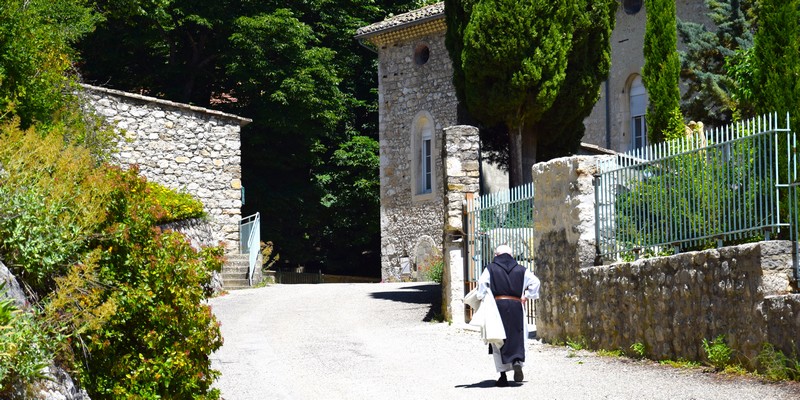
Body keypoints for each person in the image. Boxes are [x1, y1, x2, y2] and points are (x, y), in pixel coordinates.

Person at [476, 244, 540, 387]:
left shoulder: (490, 268)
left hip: (497, 306)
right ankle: (517, 361)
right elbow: (536, 282)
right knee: (518, 335)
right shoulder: (521, 269)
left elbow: (482, 284)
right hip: (516, 305)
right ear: (511, 255)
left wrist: (482, 296)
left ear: (496, 255)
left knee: (497, 338)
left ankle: (503, 376)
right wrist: (527, 295)